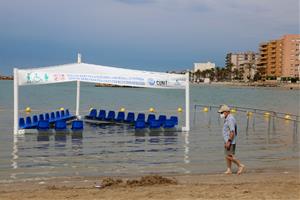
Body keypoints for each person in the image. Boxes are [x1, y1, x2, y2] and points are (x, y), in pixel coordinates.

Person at [218, 104, 245, 175]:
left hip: (230, 141)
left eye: (221, 112)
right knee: (227, 155)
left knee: (228, 156)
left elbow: (232, 131)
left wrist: (229, 141)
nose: (221, 114)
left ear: (226, 112)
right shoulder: (228, 118)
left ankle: (240, 165)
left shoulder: (230, 119)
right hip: (227, 140)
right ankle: (229, 169)